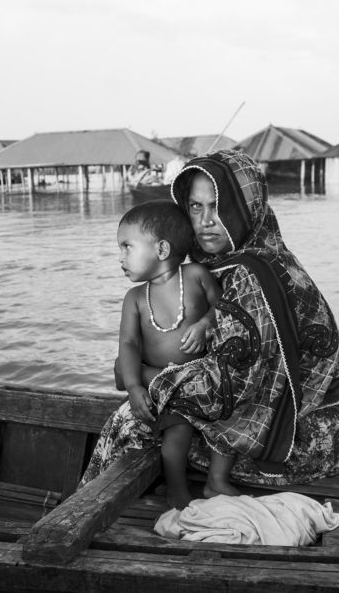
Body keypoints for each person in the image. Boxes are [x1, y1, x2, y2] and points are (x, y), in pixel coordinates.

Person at [81, 149, 339, 495]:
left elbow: (228, 390)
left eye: (218, 206)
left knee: (130, 422)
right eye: (196, 207)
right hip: (325, 424)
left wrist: (139, 374)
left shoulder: (250, 276)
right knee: (157, 414)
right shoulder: (245, 259)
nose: (205, 220)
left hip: (307, 441)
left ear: (247, 208)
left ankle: (80, 511)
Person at [115, 200, 223, 508]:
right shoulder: (134, 298)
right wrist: (135, 387)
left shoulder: (196, 276)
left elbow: (225, 308)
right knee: (176, 428)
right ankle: (177, 489)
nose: (120, 257)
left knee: (223, 411)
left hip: (198, 374)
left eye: (127, 247)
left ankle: (216, 481)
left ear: (162, 250)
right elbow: (129, 344)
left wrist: (205, 323)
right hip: (160, 380)